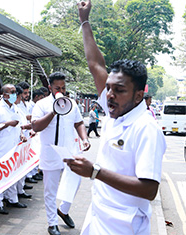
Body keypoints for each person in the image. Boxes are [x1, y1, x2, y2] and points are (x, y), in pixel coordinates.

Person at [65, 1, 167, 234]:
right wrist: (84, 21)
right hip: (98, 216)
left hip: (124, 227)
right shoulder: (116, 110)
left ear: (139, 95)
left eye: (118, 90)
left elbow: (149, 189)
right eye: (108, 88)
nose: (109, 96)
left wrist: (95, 172)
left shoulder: (146, 129)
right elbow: (95, 64)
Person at [31, 72, 90, 235]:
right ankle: (52, 224)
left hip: (69, 151)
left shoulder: (71, 103)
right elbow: (35, 127)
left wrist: (84, 139)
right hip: (50, 152)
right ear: (50, 87)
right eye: (57, 88)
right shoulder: (42, 104)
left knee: (75, 181)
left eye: (63, 88)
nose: (61, 90)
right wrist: (54, 111)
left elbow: (79, 123)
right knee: (50, 190)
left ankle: (63, 210)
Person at [0, 84, 27, 215]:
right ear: (5, 95)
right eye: (13, 92)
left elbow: (19, 125)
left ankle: (12, 199)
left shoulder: (15, 107)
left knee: (13, 173)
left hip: (14, 145)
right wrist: (8, 124)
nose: (15, 94)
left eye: (16, 92)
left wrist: (21, 134)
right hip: (1, 147)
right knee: (0, 174)